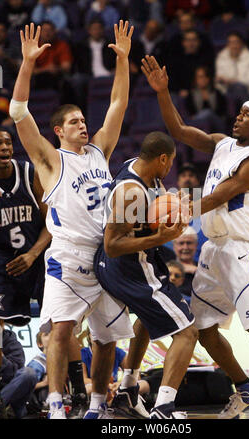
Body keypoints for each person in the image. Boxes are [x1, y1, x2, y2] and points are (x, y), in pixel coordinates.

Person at [141, 54, 249, 419]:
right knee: (202, 329)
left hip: (244, 250)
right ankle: (246, 388)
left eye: (246, 116)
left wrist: (179, 206)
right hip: (214, 248)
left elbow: (216, 197)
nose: (238, 118)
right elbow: (178, 130)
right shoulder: (222, 143)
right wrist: (162, 92)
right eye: (239, 113)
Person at [9, 21, 135, 419]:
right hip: (66, 256)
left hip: (105, 255)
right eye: (76, 122)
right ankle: (57, 402)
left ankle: (98, 405)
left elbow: (118, 104)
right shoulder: (49, 159)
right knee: (61, 333)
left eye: (84, 120)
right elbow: (17, 111)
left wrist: (123, 62)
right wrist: (28, 63)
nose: (84, 124)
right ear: (59, 130)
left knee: (106, 337)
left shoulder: (99, 152)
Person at [94, 131, 199, 419]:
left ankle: (128, 388)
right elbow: (112, 245)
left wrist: (176, 204)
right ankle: (164, 408)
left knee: (146, 320)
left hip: (132, 263)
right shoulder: (131, 192)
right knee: (188, 332)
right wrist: (159, 238)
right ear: (162, 158)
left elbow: (155, 208)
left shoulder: (143, 170)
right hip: (128, 267)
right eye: (170, 163)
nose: (170, 170)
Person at [0, 128, 51, 408]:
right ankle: (2, 384)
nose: (5, 147)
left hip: (37, 254)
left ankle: (60, 393)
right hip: (3, 260)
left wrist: (32, 254)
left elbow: (52, 222)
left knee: (54, 324)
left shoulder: (29, 173)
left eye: (8, 142)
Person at [0, 328, 37, 419]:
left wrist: (0, 357)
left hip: (6, 393)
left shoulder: (8, 338)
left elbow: (12, 372)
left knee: (28, 373)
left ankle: (2, 409)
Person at [81, 330, 127, 396]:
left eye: (103, 334)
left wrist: (120, 383)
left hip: (113, 388)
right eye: (95, 334)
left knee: (142, 384)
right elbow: (84, 379)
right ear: (89, 336)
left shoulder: (118, 352)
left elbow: (134, 375)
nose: (99, 338)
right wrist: (104, 385)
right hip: (94, 386)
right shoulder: (84, 353)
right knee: (88, 389)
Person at [173, 226, 198, 295]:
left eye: (189, 243)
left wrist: (198, 271)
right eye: (181, 243)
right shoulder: (165, 269)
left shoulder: (204, 268)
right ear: (174, 246)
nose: (185, 247)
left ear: (196, 245)